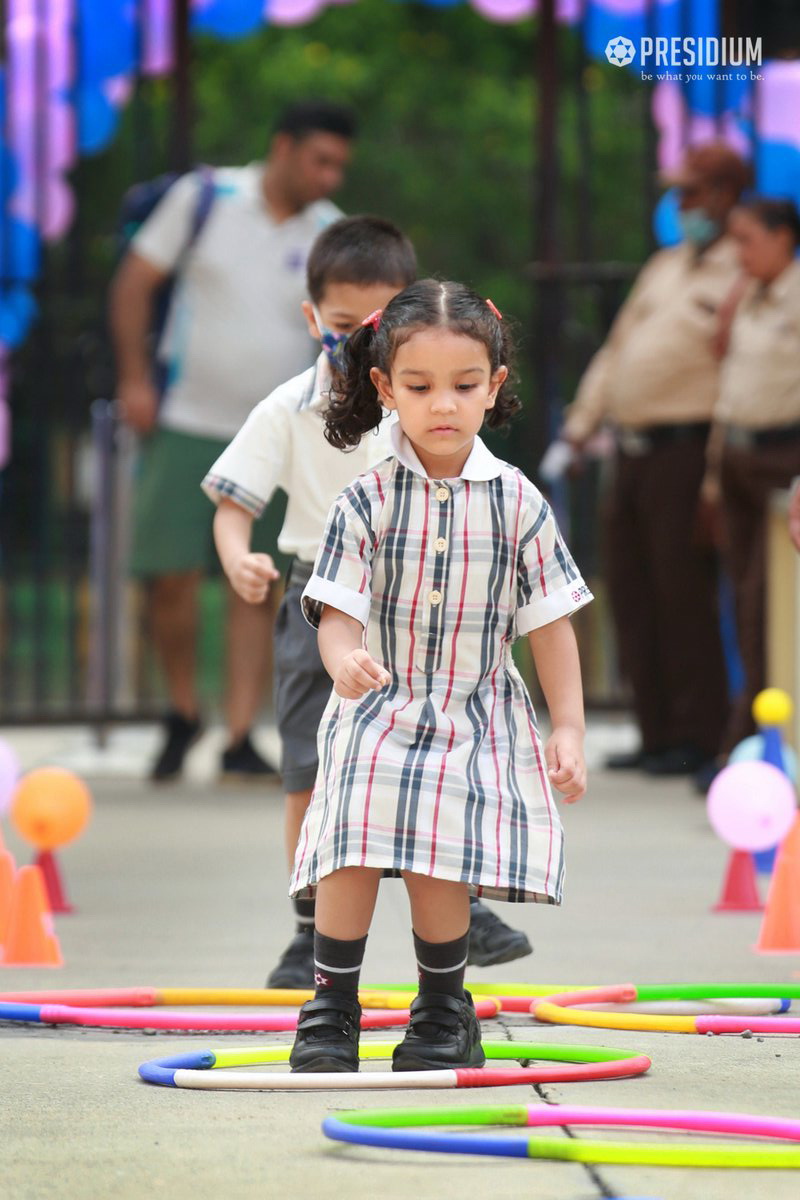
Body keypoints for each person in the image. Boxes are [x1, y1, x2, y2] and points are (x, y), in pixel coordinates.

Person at [205, 220, 534, 988]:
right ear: (312, 318)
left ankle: (464, 907)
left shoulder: (421, 399)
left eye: (380, 325)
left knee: (442, 759)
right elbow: (230, 502)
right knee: (311, 771)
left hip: (416, 602)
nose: (360, 342)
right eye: (346, 327)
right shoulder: (290, 407)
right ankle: (307, 923)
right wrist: (236, 557)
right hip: (316, 601)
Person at [287, 279, 590, 1073]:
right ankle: (331, 1009)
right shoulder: (366, 498)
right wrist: (342, 659)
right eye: (420, 387)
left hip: (473, 713)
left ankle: (442, 1008)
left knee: (438, 852)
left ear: (494, 386)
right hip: (376, 712)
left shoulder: (519, 502)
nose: (443, 405)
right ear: (386, 388)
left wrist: (567, 726)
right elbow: (336, 607)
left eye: (464, 385)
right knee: (348, 842)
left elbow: (550, 622)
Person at [109, 99, 356, 781]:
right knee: (169, 576)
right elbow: (134, 284)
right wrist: (135, 378)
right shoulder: (204, 199)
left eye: (340, 164)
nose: (331, 176)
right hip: (186, 417)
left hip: (282, 435)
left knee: (260, 581)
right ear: (283, 147)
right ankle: (184, 709)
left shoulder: (328, 232)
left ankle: (241, 731)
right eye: (321, 159)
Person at [562, 141, 752, 777]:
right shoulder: (666, 264)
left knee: (683, 591)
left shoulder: (742, 270)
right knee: (631, 587)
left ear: (726, 196)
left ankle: (698, 735)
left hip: (686, 446)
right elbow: (617, 351)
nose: (681, 204)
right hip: (633, 445)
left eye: (693, 192)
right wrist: (581, 427)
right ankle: (655, 729)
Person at [709, 197, 800, 754]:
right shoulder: (746, 296)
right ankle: (749, 732)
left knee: (771, 600)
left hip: (782, 456)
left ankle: (766, 735)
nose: (738, 253)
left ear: (783, 236)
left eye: (747, 240)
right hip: (738, 454)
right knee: (743, 597)